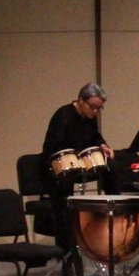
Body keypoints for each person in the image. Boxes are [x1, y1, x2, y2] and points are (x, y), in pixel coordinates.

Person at [40, 84, 114, 248]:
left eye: (99, 108)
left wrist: (103, 145)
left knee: (111, 168)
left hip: (77, 167)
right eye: (92, 107)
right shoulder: (63, 116)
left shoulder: (90, 118)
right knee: (64, 207)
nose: (95, 111)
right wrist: (77, 154)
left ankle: (113, 212)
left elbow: (95, 137)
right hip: (55, 171)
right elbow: (52, 147)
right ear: (80, 100)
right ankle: (66, 253)